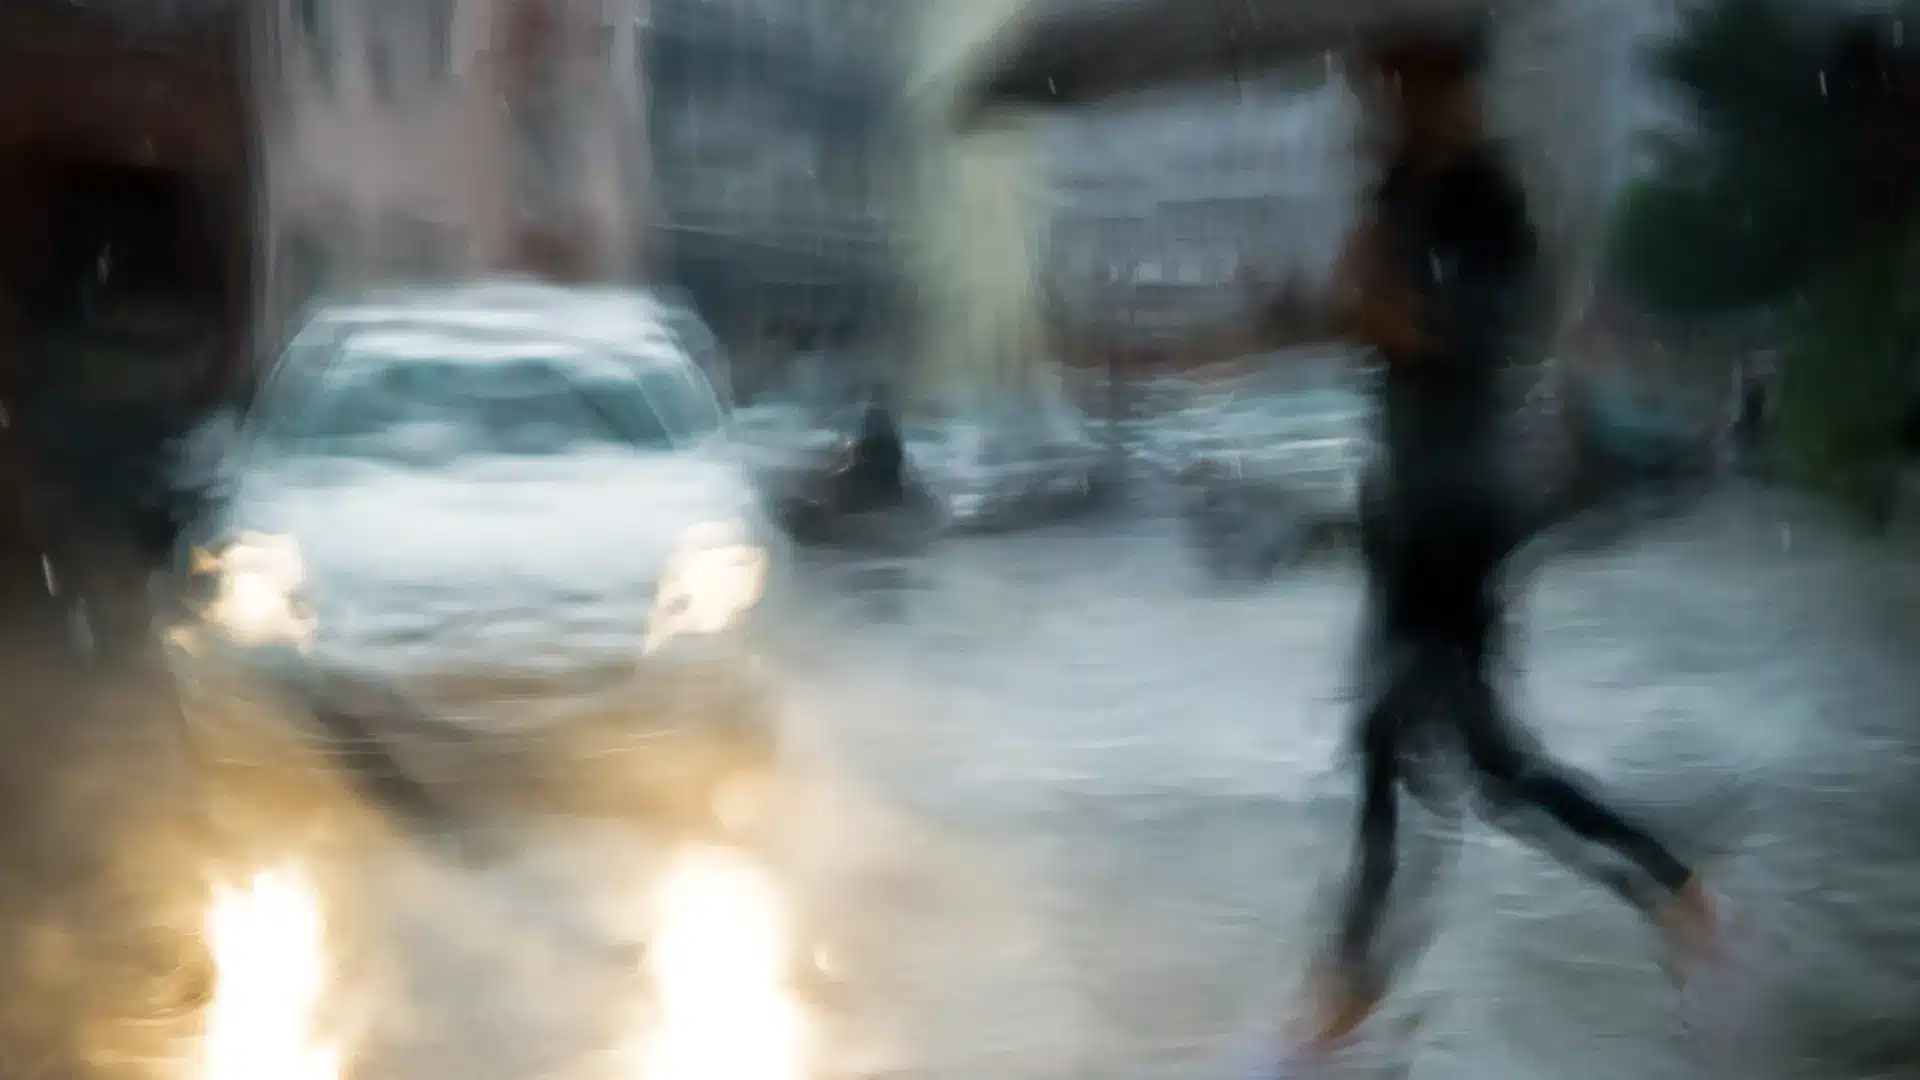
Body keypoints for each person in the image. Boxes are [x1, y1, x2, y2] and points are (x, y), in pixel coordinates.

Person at [1277, 24, 1723, 1064]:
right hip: (1406, 511)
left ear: (1446, 89)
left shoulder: (1487, 200)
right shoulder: (1398, 198)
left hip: (1461, 517)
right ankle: (1349, 998)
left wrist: (1380, 308)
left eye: (1389, 82)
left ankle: (1347, 1001)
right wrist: (1338, 299)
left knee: (1453, 756)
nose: (1370, 102)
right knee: (1430, 754)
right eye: (1368, 84)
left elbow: (1477, 339)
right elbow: (1376, 334)